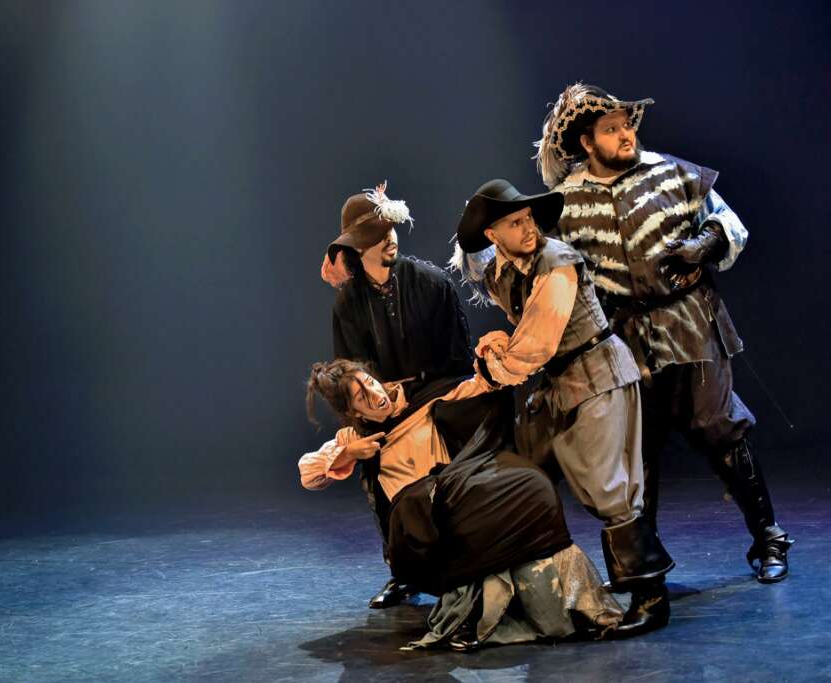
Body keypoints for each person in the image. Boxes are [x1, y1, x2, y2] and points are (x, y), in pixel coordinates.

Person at [532, 83, 792, 582]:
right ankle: (643, 566)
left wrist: (704, 245)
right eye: (611, 129)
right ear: (587, 142)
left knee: (717, 427)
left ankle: (769, 537)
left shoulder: (673, 173)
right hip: (624, 337)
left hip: (689, 323)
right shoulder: (564, 201)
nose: (626, 135)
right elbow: (550, 264)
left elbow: (730, 224)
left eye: (627, 125)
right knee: (636, 448)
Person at [452, 178, 674, 637]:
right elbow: (523, 330)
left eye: (528, 218)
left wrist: (491, 369)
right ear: (493, 234)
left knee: (609, 488)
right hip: (559, 385)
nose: (528, 228)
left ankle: (651, 596)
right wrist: (500, 349)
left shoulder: (556, 261)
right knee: (525, 474)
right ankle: (540, 590)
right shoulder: (501, 273)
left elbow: (536, 343)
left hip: (597, 377)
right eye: (515, 222)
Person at [300, 358, 622, 650]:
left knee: (529, 484)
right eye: (361, 397)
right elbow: (308, 474)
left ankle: (560, 605)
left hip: (459, 495)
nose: (374, 394)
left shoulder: (424, 400)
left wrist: (500, 362)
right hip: (422, 528)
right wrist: (348, 453)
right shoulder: (354, 437)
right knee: (419, 500)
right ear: (355, 413)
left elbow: (480, 384)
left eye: (370, 383)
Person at [319, 182, 502, 609]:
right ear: (357, 248)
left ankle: (466, 564)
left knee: (448, 469)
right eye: (377, 235)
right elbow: (350, 371)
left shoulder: (432, 283)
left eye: (390, 230)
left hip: (437, 394)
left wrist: (427, 396)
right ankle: (403, 571)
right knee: (376, 466)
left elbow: (457, 357)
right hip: (382, 407)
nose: (389, 239)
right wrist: (374, 409)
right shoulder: (348, 304)